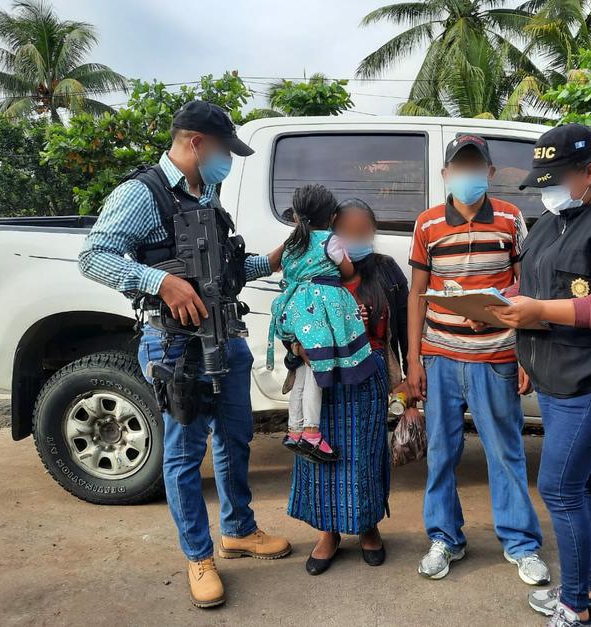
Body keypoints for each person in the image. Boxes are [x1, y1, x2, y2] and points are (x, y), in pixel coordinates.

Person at [78, 101, 291, 609]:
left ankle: (238, 530)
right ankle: (198, 555)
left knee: (236, 439)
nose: (228, 161)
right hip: (177, 346)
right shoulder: (142, 193)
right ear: (196, 143)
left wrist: (279, 257)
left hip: (227, 337)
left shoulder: (208, 192)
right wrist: (160, 281)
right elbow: (93, 255)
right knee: (182, 456)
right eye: (224, 150)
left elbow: (227, 272)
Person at [484, 124, 591, 627]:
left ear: (590, 172)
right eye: (541, 179)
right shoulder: (548, 222)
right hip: (557, 377)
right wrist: (495, 304)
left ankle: (576, 607)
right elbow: (531, 284)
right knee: (584, 484)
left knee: (559, 488)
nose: (546, 188)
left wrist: (538, 309)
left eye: (556, 177)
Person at [406, 134, 550, 585]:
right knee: (442, 454)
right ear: (446, 174)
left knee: (505, 452)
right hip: (440, 357)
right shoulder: (427, 224)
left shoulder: (510, 218)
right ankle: (445, 538)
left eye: (476, 167)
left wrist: (524, 351)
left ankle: (521, 544)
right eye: (459, 167)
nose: (468, 175)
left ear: (489, 173)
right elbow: (416, 294)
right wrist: (413, 359)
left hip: (497, 356)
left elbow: (525, 286)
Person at [286, 197, 410, 575]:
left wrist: (407, 379)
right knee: (321, 455)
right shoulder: (314, 265)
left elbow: (403, 328)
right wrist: (296, 345)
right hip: (323, 380)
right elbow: (291, 310)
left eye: (364, 231)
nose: (357, 237)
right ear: (332, 231)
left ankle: (368, 526)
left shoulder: (386, 271)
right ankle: (328, 532)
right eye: (348, 231)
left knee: (365, 455)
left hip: (367, 376)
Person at [267, 185, 378, 462]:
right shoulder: (331, 241)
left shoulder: (291, 243)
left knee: (304, 373)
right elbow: (347, 270)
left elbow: (285, 270)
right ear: (331, 218)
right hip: (320, 311)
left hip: (295, 308)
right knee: (319, 369)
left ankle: (294, 430)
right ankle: (312, 432)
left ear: (295, 217)